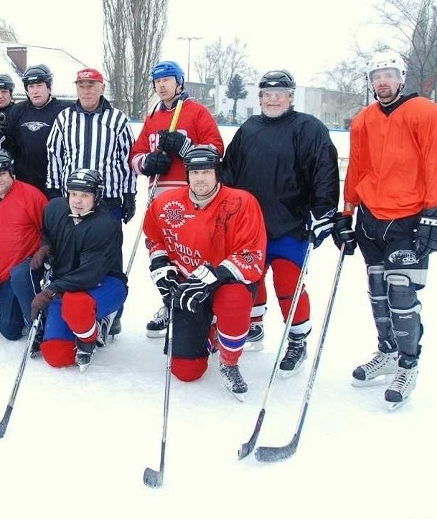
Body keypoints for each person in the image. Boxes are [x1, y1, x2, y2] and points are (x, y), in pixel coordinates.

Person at [335, 51, 437, 408]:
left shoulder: (425, 113)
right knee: (377, 290)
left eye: (389, 74)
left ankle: (408, 363)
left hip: (409, 219)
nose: (383, 81)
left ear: (402, 77)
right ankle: (387, 353)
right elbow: (357, 167)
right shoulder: (363, 120)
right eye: (376, 76)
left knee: (401, 294)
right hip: (371, 219)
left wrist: (436, 212)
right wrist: (348, 210)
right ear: (370, 82)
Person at [222, 69, 339, 373]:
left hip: (292, 225)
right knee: (250, 280)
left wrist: (323, 211)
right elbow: (229, 173)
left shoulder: (309, 129)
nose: (273, 100)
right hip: (251, 227)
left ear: (291, 96)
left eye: (280, 94)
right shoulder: (248, 129)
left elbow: (324, 172)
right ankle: (255, 325)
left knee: (288, 284)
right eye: (267, 94)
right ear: (259, 98)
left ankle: (297, 340)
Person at [144, 147, 267, 400]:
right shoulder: (166, 204)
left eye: (207, 172)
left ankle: (229, 362)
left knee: (234, 299)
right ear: (188, 174)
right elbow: (155, 239)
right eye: (195, 172)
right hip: (189, 288)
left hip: (228, 283)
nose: (201, 178)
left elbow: (251, 253)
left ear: (217, 173)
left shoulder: (242, 202)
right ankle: (208, 329)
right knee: (186, 371)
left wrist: (212, 277)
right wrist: (162, 268)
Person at [129, 60, 224, 338]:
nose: (161, 85)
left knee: (193, 251)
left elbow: (217, 151)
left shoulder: (196, 112)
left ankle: (201, 306)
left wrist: (186, 148)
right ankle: (169, 304)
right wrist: (148, 163)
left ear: (179, 82)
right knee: (164, 254)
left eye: (167, 79)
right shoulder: (154, 115)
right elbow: (134, 156)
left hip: (192, 195)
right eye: (157, 81)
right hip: (159, 196)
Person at [45, 66, 138, 335]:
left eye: (91, 85)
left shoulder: (117, 119)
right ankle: (73, 307)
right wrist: (54, 191)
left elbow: (126, 160)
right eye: (81, 85)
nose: (86, 90)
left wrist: (129, 194)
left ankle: (111, 311)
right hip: (73, 199)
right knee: (71, 253)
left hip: (107, 200)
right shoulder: (64, 119)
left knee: (110, 258)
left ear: (102, 88)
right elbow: (54, 154)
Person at [30, 169, 128, 372]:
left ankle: (92, 333)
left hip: (104, 283)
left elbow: (89, 274)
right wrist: (46, 245)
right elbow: (47, 231)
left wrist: (49, 291)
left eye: (85, 195)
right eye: (73, 194)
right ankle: (81, 324)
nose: (77, 200)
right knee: (56, 355)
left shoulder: (104, 225)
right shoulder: (56, 208)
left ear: (97, 196)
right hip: (67, 284)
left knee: (77, 302)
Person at [0, 150, 49, 340]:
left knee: (20, 275)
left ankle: (38, 326)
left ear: (11, 172)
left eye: (2, 174)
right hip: (3, 274)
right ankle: (20, 314)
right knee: (9, 331)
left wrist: (46, 257)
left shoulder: (32, 196)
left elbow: (48, 232)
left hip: (28, 269)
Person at [2, 64, 72, 193]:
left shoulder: (66, 110)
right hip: (25, 183)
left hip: (57, 184)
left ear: (49, 87)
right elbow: (9, 146)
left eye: (39, 85)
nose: (35, 91)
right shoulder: (17, 111)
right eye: (31, 86)